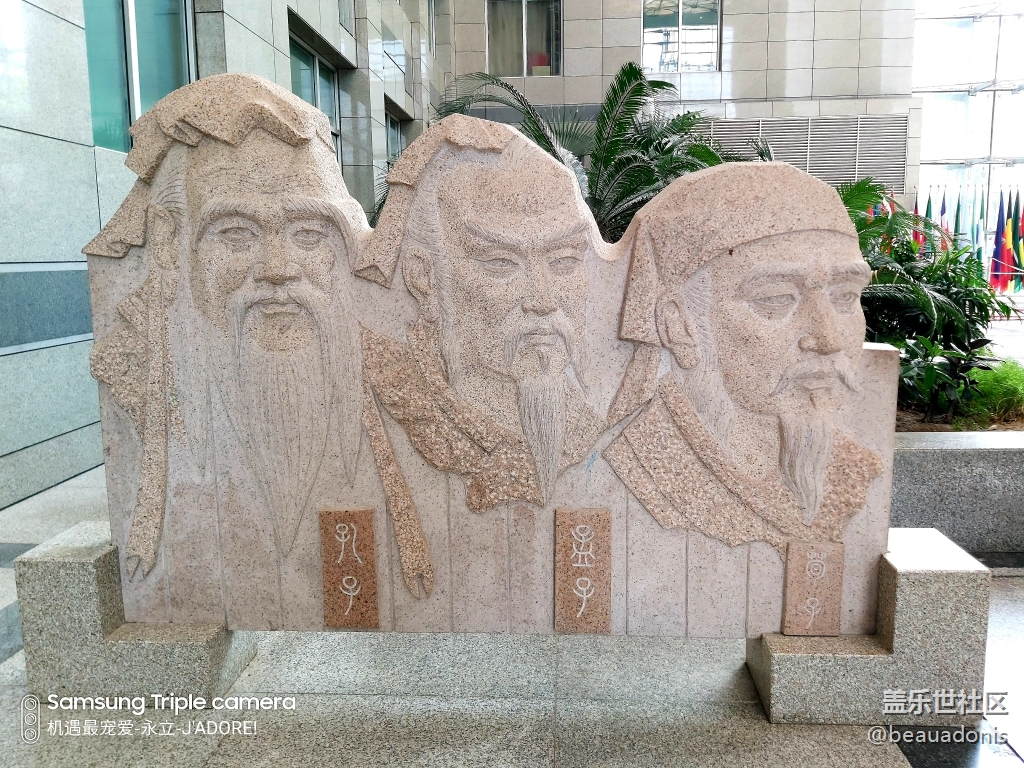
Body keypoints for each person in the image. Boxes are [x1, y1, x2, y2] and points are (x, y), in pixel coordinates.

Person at [86, 74, 429, 629]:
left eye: (309, 234)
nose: (277, 270)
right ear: (171, 244)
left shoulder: (394, 370)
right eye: (236, 234)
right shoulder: (136, 362)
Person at [605, 162, 883, 555]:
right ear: (679, 325)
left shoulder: (853, 467)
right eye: (775, 299)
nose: (828, 340)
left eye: (845, 297)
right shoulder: (647, 462)